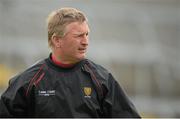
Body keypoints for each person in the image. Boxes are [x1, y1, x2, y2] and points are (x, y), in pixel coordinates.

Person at [0, 7, 141, 118]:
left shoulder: (102, 79)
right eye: (79, 36)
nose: (86, 42)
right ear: (57, 40)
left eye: (87, 34)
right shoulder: (29, 81)